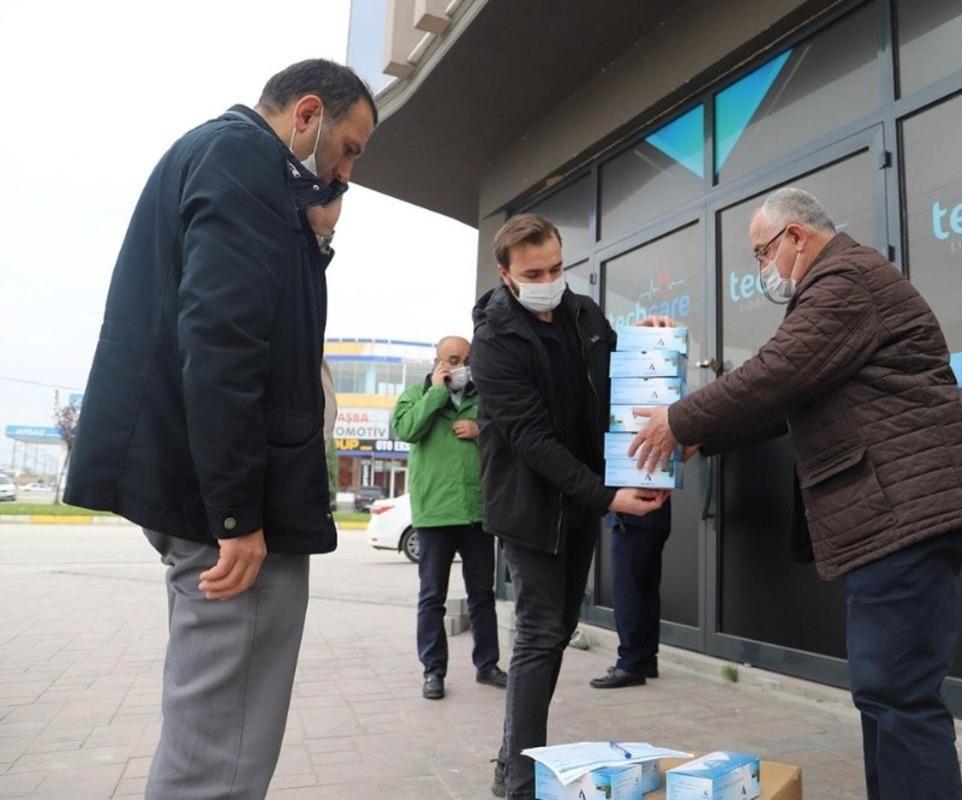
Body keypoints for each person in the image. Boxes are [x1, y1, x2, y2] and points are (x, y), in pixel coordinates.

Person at [64, 59, 376, 799]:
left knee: (212, 726)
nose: (346, 171)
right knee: (220, 754)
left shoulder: (226, 161)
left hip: (205, 488)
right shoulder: (243, 161)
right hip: (231, 508)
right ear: (307, 115)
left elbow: (249, 313)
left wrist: (316, 236)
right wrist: (236, 513)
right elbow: (226, 341)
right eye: (350, 148)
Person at [630, 188, 962, 800]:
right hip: (892, 514)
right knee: (885, 693)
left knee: (900, 698)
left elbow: (777, 373)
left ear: (796, 237)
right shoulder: (838, 283)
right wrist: (703, 440)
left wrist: (680, 421)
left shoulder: (846, 280)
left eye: (760, 253)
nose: (760, 270)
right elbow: (791, 399)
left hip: (903, 512)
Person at [470, 214, 668, 800]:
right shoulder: (493, 343)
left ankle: (514, 757)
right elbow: (531, 441)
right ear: (506, 275)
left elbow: (612, 381)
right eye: (535, 272)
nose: (550, 280)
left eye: (557, 267)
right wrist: (609, 497)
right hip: (530, 508)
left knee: (557, 631)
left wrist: (643, 339)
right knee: (537, 635)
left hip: (580, 502)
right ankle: (520, 781)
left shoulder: (584, 314)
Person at [392, 335, 508, 700]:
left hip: (475, 511)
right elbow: (407, 429)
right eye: (454, 360)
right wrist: (437, 394)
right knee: (432, 597)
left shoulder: (484, 397)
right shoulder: (416, 393)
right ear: (438, 361)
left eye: (467, 360)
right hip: (435, 513)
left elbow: (508, 436)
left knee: (482, 594)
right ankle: (433, 671)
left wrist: (480, 430)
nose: (462, 367)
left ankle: (487, 665)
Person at [589, 504, 670, 688]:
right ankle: (645, 659)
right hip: (654, 518)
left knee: (627, 591)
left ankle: (631, 664)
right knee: (645, 589)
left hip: (632, 516)